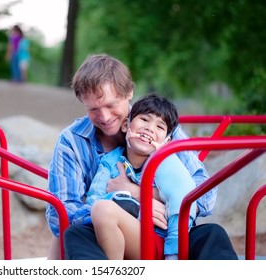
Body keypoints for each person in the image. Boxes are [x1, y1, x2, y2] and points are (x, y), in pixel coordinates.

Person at [45, 53, 238, 260]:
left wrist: (140, 193)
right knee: (75, 235)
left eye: (111, 105)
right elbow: (60, 214)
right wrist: (128, 206)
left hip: (163, 230)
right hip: (111, 232)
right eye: (93, 109)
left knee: (212, 233)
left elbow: (205, 195)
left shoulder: (156, 125)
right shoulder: (72, 141)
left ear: (129, 93)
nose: (105, 117)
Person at [85, 93, 197, 260]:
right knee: (97, 212)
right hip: (123, 237)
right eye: (144, 120)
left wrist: (173, 254)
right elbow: (94, 201)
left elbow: (182, 200)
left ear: (166, 141)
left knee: (104, 209)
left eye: (160, 127)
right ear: (126, 126)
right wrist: (135, 207)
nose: (150, 128)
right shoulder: (111, 161)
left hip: (160, 241)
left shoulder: (167, 164)